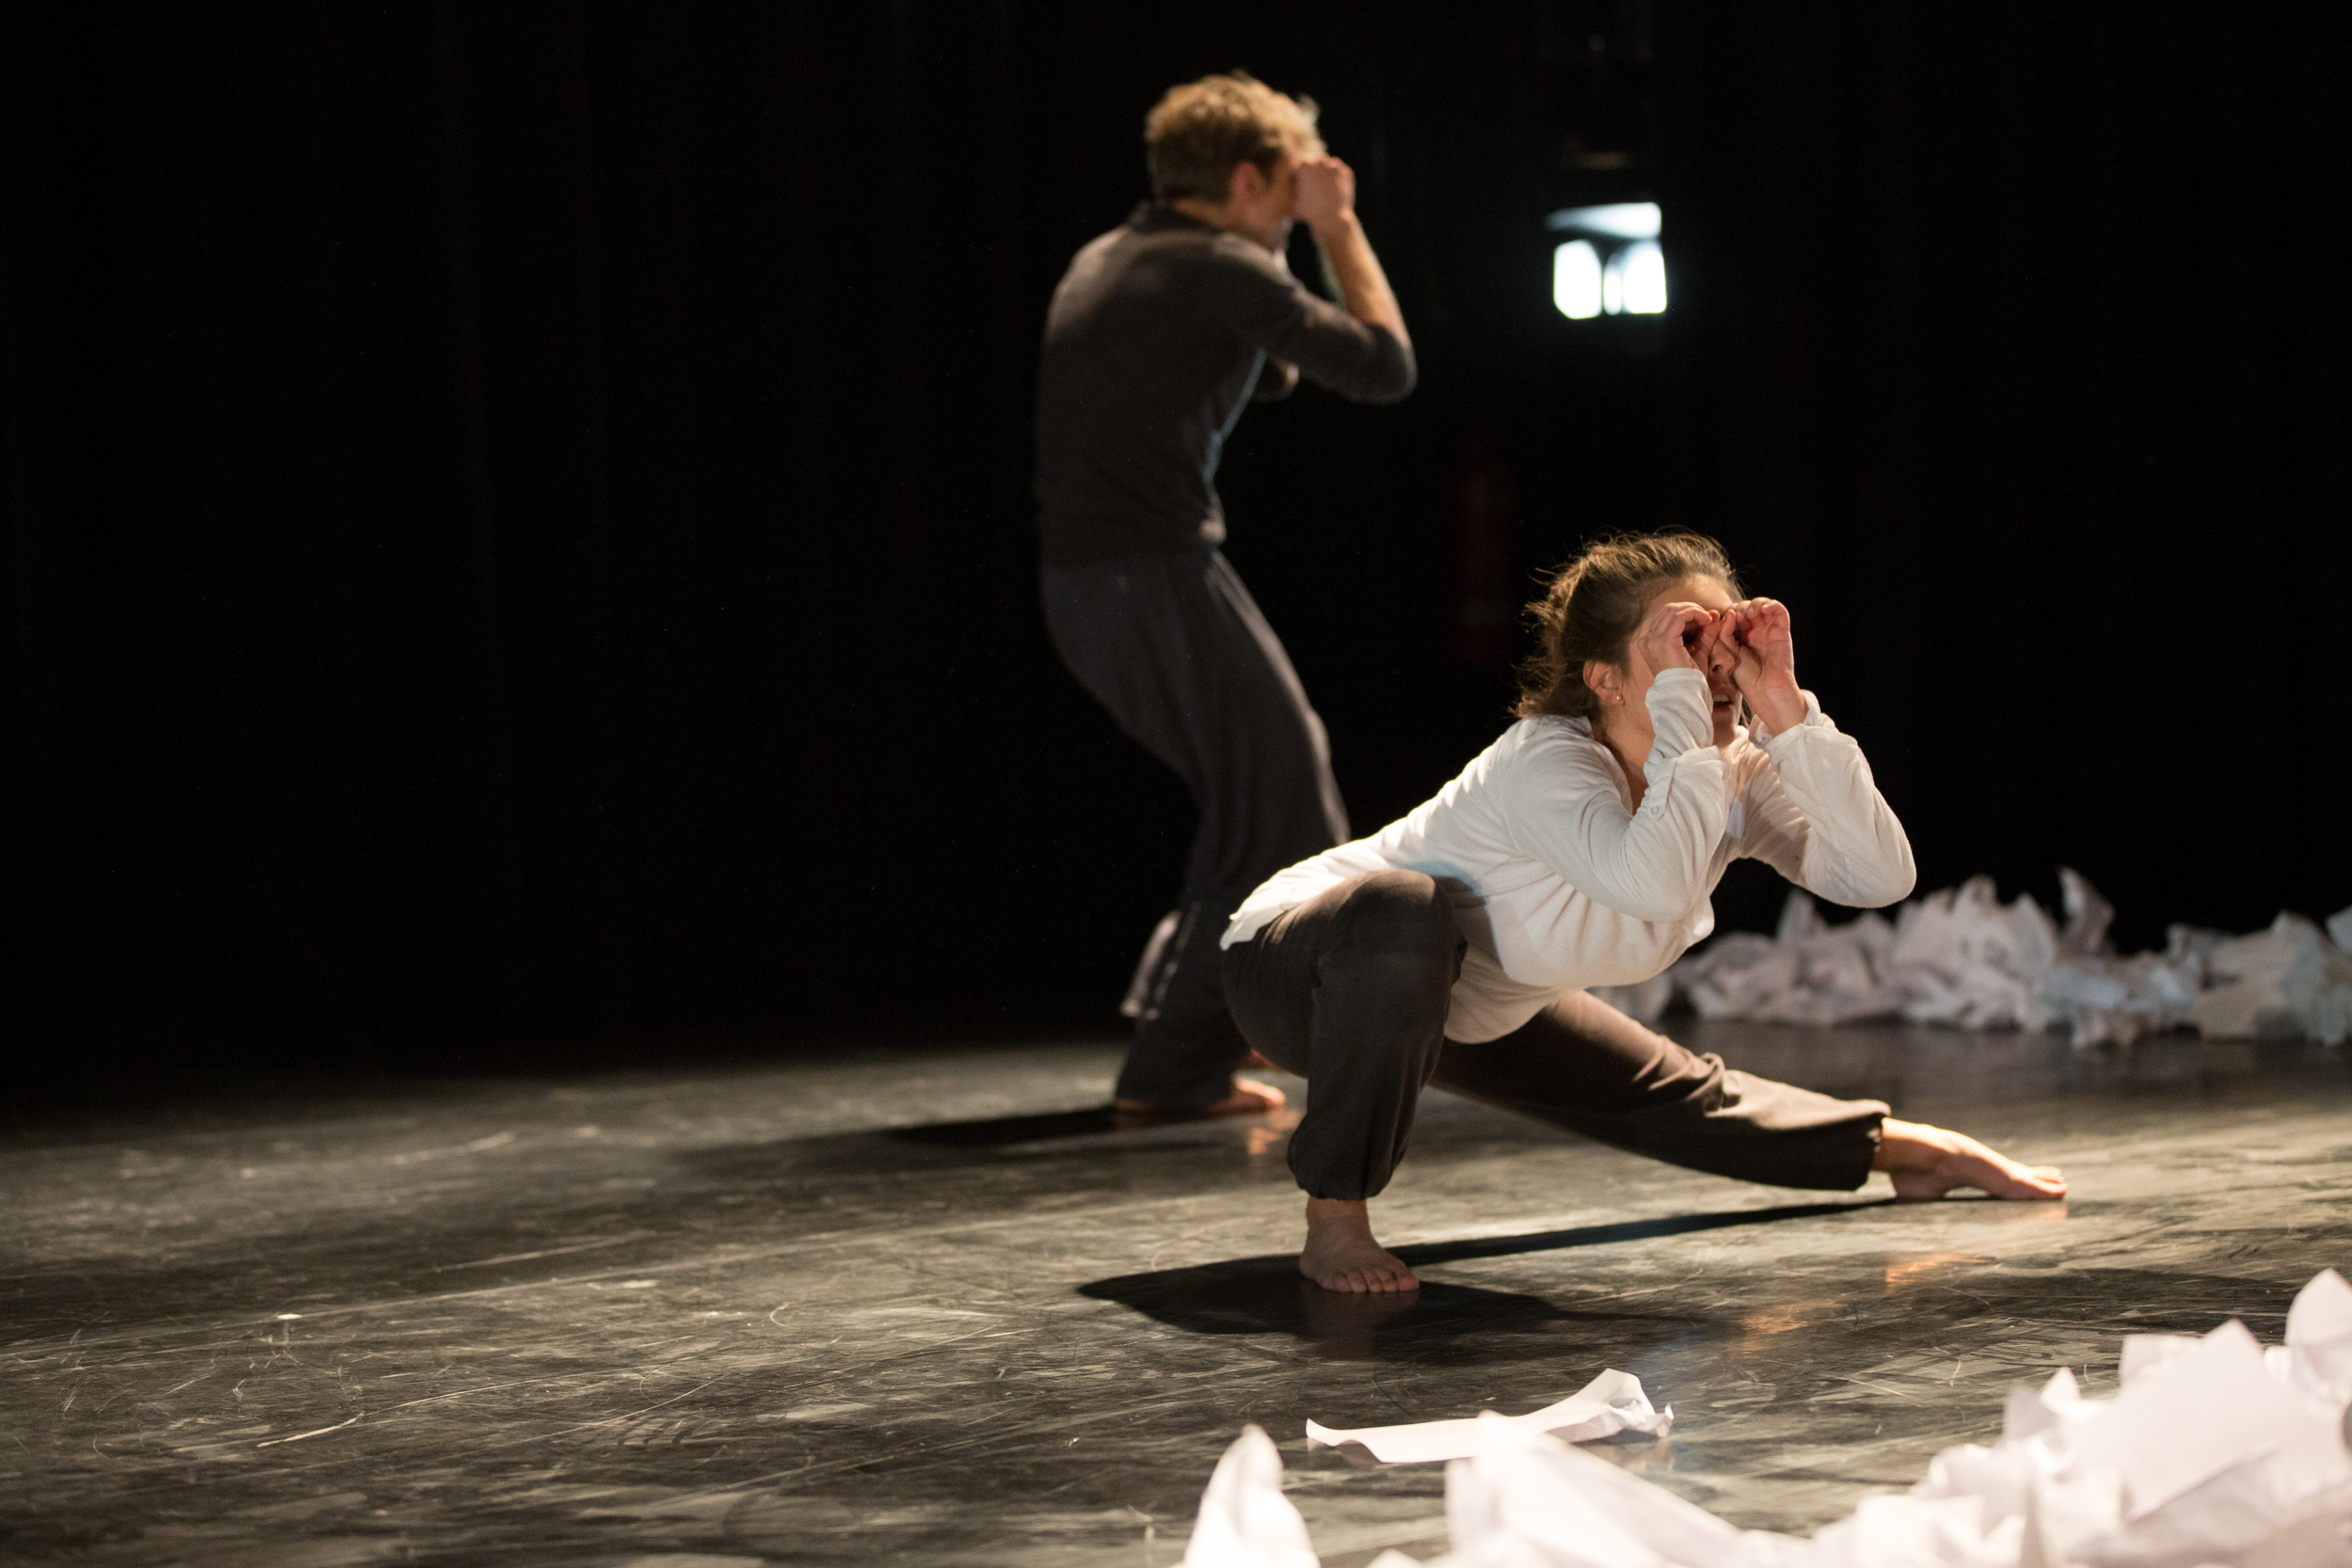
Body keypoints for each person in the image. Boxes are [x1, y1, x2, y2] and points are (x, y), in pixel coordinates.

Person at [1217, 531, 2068, 1292]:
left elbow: (1878, 877)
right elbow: (1656, 882)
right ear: (1602, 677)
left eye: (1721, 639)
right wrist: (1693, 727)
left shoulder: (1728, 766)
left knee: (1665, 1092)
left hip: (1465, 998)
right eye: (1681, 641)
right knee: (1409, 906)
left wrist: (1784, 708)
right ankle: (1334, 1218)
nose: (1710, 666)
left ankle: (1913, 1154)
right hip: (1303, 962)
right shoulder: (1544, 763)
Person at [1035, 73, 1416, 1119]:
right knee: (1282, 805)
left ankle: (1178, 1036)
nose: (1300, 199)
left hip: (1108, 583)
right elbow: (1382, 366)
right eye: (1287, 183)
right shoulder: (1205, 268)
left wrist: (1279, 234)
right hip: (1144, 576)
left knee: (1261, 801)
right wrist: (1335, 228)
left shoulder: (1124, 255)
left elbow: (1273, 369)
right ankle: (1171, 1067)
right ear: (1249, 177)